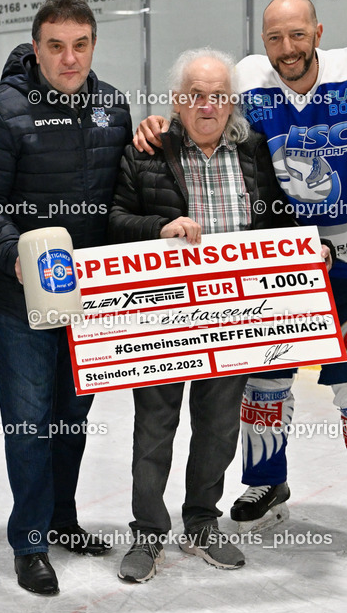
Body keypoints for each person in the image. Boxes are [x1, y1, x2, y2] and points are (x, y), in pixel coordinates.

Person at [136, 0, 347, 551]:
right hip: (273, 264)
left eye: (297, 35)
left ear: (317, 31)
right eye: (275, 37)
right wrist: (157, 123)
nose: (287, 48)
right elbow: (197, 112)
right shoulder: (244, 78)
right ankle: (266, 484)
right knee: (261, 383)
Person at [0, 0, 132, 595]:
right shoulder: (0, 113)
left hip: (94, 299)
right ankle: (29, 541)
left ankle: (63, 519)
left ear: (93, 45)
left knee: (72, 417)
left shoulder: (113, 107)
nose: (69, 58)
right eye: (56, 46)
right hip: (24, 299)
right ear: (36, 49)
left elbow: (124, 196)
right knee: (30, 421)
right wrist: (22, 260)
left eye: (80, 45)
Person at [108, 48, 296, 582]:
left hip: (233, 315)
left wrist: (305, 252)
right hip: (162, 316)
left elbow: (276, 218)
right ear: (177, 101)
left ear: (231, 102)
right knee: (155, 430)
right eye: (195, 95)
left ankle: (201, 523)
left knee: (217, 429)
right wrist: (159, 229)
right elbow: (114, 221)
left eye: (218, 96)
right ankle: (147, 533)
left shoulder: (255, 151)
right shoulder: (145, 152)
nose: (207, 106)